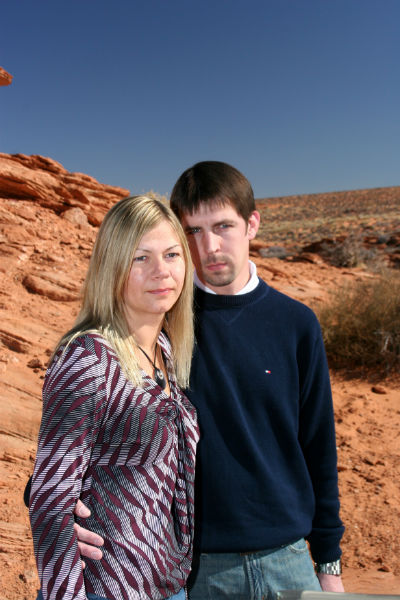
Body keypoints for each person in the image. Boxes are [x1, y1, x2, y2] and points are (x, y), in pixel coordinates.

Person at [28, 162, 345, 598]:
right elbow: (81, 440)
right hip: (194, 570)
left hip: (285, 559)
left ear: (252, 224)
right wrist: (59, 498)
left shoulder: (294, 324)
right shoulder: (164, 319)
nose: (209, 246)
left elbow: (319, 446)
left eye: (223, 226)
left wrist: (328, 561)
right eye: (193, 231)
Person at [29, 195, 199, 600]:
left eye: (172, 254)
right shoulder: (88, 358)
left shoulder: (164, 350)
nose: (161, 271)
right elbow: (50, 498)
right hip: (106, 589)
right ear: (113, 265)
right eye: (141, 258)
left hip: (168, 586)